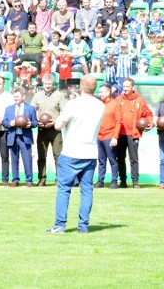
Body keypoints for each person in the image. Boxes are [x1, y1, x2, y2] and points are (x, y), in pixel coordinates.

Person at [47, 75, 104, 234]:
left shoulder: (73, 104)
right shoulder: (100, 105)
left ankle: (59, 225)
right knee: (86, 190)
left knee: (64, 189)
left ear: (80, 85)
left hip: (71, 151)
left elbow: (58, 125)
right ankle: (83, 226)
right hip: (90, 152)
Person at [114, 78, 153, 189]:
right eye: (124, 86)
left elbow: (148, 113)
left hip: (133, 134)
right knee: (120, 158)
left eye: (127, 86)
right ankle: (123, 181)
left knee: (133, 158)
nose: (125, 88)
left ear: (132, 88)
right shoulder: (118, 99)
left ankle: (135, 181)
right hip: (120, 134)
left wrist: (150, 123)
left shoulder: (139, 100)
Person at [31, 74, 67, 186]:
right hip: (42, 130)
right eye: (46, 84)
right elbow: (31, 110)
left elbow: (64, 112)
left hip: (55, 130)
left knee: (58, 156)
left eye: (50, 84)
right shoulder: (37, 96)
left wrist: (56, 121)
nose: (47, 86)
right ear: (43, 84)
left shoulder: (59, 95)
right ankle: (42, 179)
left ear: (53, 84)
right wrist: (36, 119)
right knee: (41, 156)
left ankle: (59, 180)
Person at [2, 86, 38, 187]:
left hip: (25, 137)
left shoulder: (31, 108)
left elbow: (35, 122)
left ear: (23, 96)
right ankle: (15, 180)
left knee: (27, 160)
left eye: (17, 96)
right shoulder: (9, 109)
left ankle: (29, 181)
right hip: (13, 137)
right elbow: (4, 122)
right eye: (14, 96)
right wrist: (11, 123)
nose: (15, 98)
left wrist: (31, 124)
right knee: (14, 160)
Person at [95, 82, 121, 188]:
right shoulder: (99, 104)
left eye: (102, 92)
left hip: (109, 136)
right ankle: (100, 181)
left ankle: (114, 181)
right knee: (101, 160)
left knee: (112, 159)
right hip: (99, 136)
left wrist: (115, 137)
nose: (100, 93)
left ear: (108, 92)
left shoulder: (115, 104)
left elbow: (118, 121)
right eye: (99, 91)